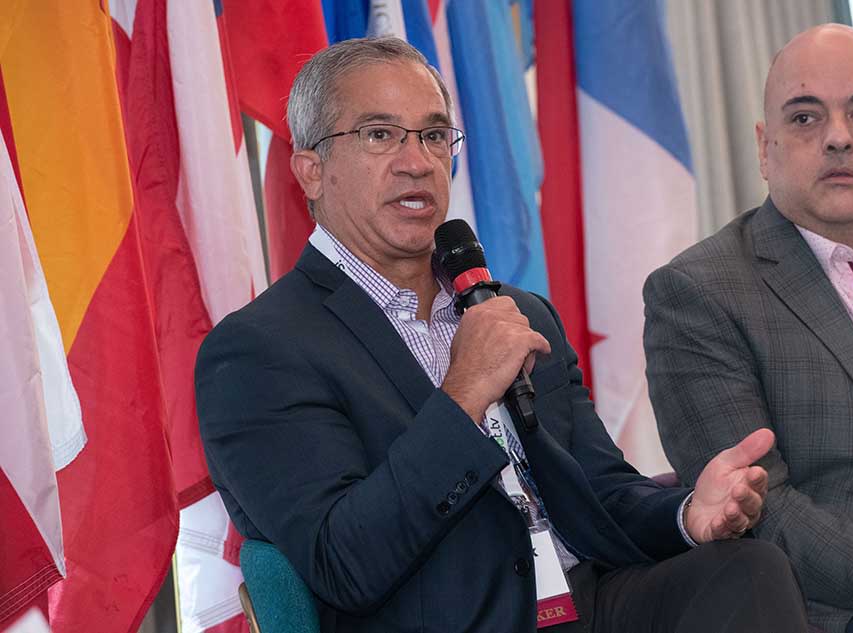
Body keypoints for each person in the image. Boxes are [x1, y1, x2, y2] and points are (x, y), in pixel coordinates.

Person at [196, 37, 807, 633]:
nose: (418, 162)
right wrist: (462, 394)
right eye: (380, 135)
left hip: (585, 602)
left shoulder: (515, 311)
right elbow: (346, 565)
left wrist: (687, 516)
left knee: (746, 571)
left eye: (435, 136)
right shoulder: (257, 352)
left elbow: (600, 491)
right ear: (311, 170)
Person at [644, 23, 853, 633]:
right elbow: (766, 516)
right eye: (806, 119)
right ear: (765, 148)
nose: (838, 138)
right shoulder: (697, 294)